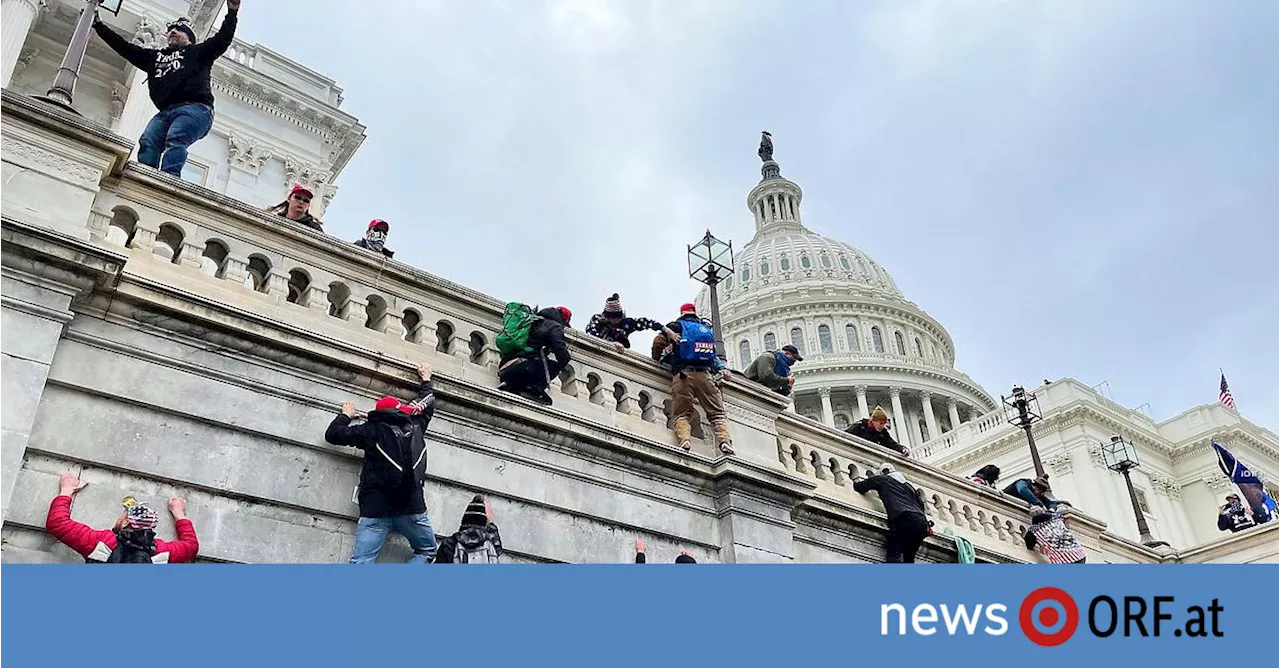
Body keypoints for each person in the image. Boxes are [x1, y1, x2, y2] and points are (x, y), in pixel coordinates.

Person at [92, 1, 241, 176]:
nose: (172, 32)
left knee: (176, 137)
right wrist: (99, 26)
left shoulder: (199, 52)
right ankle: (146, 177)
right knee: (148, 140)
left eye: (178, 31)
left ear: (189, 38)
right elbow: (125, 48)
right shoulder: (155, 58)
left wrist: (232, 12)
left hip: (196, 108)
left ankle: (169, 178)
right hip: (166, 112)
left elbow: (223, 38)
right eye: (170, 30)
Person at [324, 363, 439, 564]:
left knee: (361, 562)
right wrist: (426, 379)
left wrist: (346, 415)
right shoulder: (416, 426)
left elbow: (333, 435)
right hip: (411, 508)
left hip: (375, 510)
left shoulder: (370, 430)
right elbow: (427, 404)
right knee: (427, 551)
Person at [45, 473, 199, 563]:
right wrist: (179, 514)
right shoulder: (159, 553)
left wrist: (66, 490)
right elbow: (191, 547)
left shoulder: (102, 543)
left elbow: (57, 523)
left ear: (125, 522)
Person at [652, 303, 734, 455]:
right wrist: (722, 368)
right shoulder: (705, 330)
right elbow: (713, 355)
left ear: (682, 313)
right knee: (717, 413)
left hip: (683, 375)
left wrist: (657, 357)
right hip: (705, 376)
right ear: (695, 314)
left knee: (682, 413)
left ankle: (685, 440)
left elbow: (658, 343)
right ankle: (724, 442)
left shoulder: (675, 327)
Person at [853, 463, 932, 563]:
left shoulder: (882, 479)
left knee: (894, 552)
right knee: (909, 557)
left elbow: (860, 486)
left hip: (904, 518)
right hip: (922, 523)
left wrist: (854, 481)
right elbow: (921, 505)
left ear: (883, 472)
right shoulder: (909, 487)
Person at [498, 306, 573, 406]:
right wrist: (564, 360)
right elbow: (560, 349)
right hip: (524, 367)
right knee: (554, 366)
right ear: (563, 320)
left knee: (535, 359)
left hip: (506, 369)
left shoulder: (532, 320)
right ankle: (534, 389)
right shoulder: (554, 326)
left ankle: (513, 385)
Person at [434, 494, 503, 564]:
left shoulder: (449, 543)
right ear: (483, 523)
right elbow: (497, 547)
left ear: (464, 520)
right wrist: (490, 523)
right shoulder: (491, 543)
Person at [584, 294, 663, 351]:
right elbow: (590, 333)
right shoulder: (597, 320)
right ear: (608, 317)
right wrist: (611, 344)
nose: (616, 321)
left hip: (621, 350)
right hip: (600, 349)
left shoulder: (626, 323)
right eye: (614, 318)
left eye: (619, 318)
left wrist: (665, 329)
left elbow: (646, 322)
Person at [1003, 475, 1070, 511]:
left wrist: (1051, 509)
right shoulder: (1024, 482)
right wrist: (1039, 504)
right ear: (1035, 486)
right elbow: (1022, 490)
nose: (1040, 494)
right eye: (1040, 491)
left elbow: (1051, 503)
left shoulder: (1039, 496)